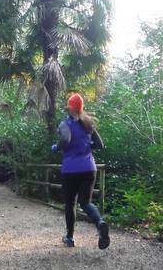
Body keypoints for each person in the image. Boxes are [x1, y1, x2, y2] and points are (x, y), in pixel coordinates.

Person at [51, 93, 110, 249]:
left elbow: (65, 139)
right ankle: (100, 223)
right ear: (81, 107)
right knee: (85, 202)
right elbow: (100, 144)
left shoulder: (65, 124)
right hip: (89, 168)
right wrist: (85, 147)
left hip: (71, 170)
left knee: (70, 204)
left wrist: (56, 147)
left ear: (70, 107)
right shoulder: (88, 123)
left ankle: (69, 237)